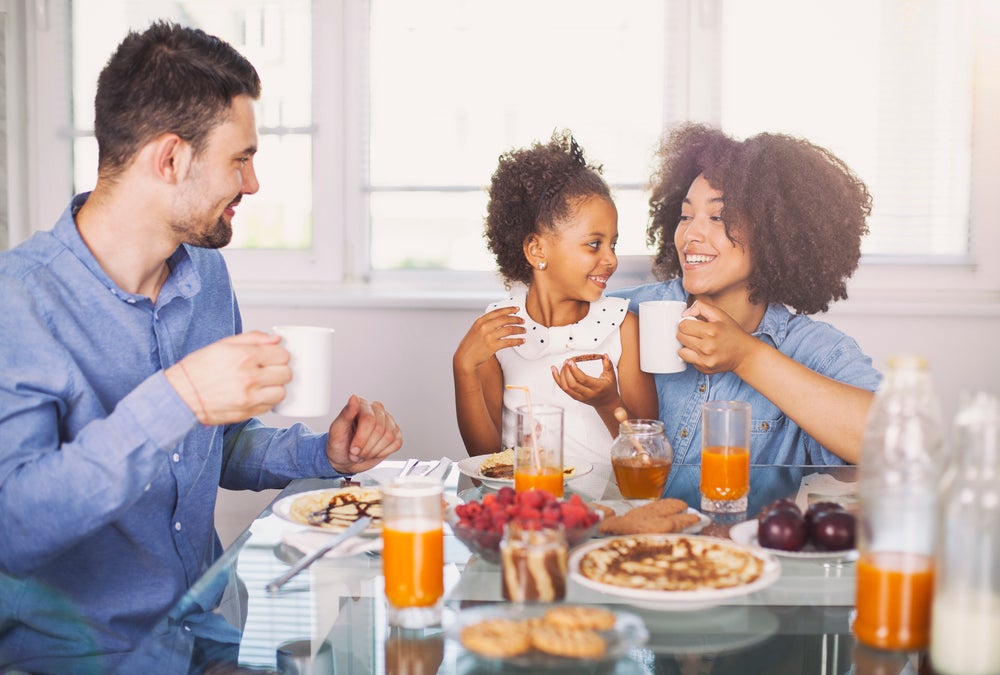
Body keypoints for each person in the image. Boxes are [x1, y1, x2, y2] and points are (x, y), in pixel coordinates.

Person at [0, 22, 402, 673]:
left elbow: (217, 444)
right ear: (170, 159)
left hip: (196, 624)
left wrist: (319, 451)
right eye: (239, 158)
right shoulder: (18, 300)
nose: (252, 184)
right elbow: (14, 528)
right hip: (78, 652)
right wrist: (178, 395)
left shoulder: (202, 274)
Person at [611, 123, 880, 496]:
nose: (690, 236)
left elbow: (892, 443)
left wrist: (746, 357)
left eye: (718, 218)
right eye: (686, 216)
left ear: (775, 232)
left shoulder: (811, 350)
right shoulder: (627, 312)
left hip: (740, 553)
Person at [453, 130, 658, 496]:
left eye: (613, 244)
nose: (610, 259)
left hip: (606, 517)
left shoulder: (624, 329)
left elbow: (647, 458)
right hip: (525, 514)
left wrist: (609, 403)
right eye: (594, 244)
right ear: (536, 250)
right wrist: (463, 366)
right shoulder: (497, 331)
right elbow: (485, 462)